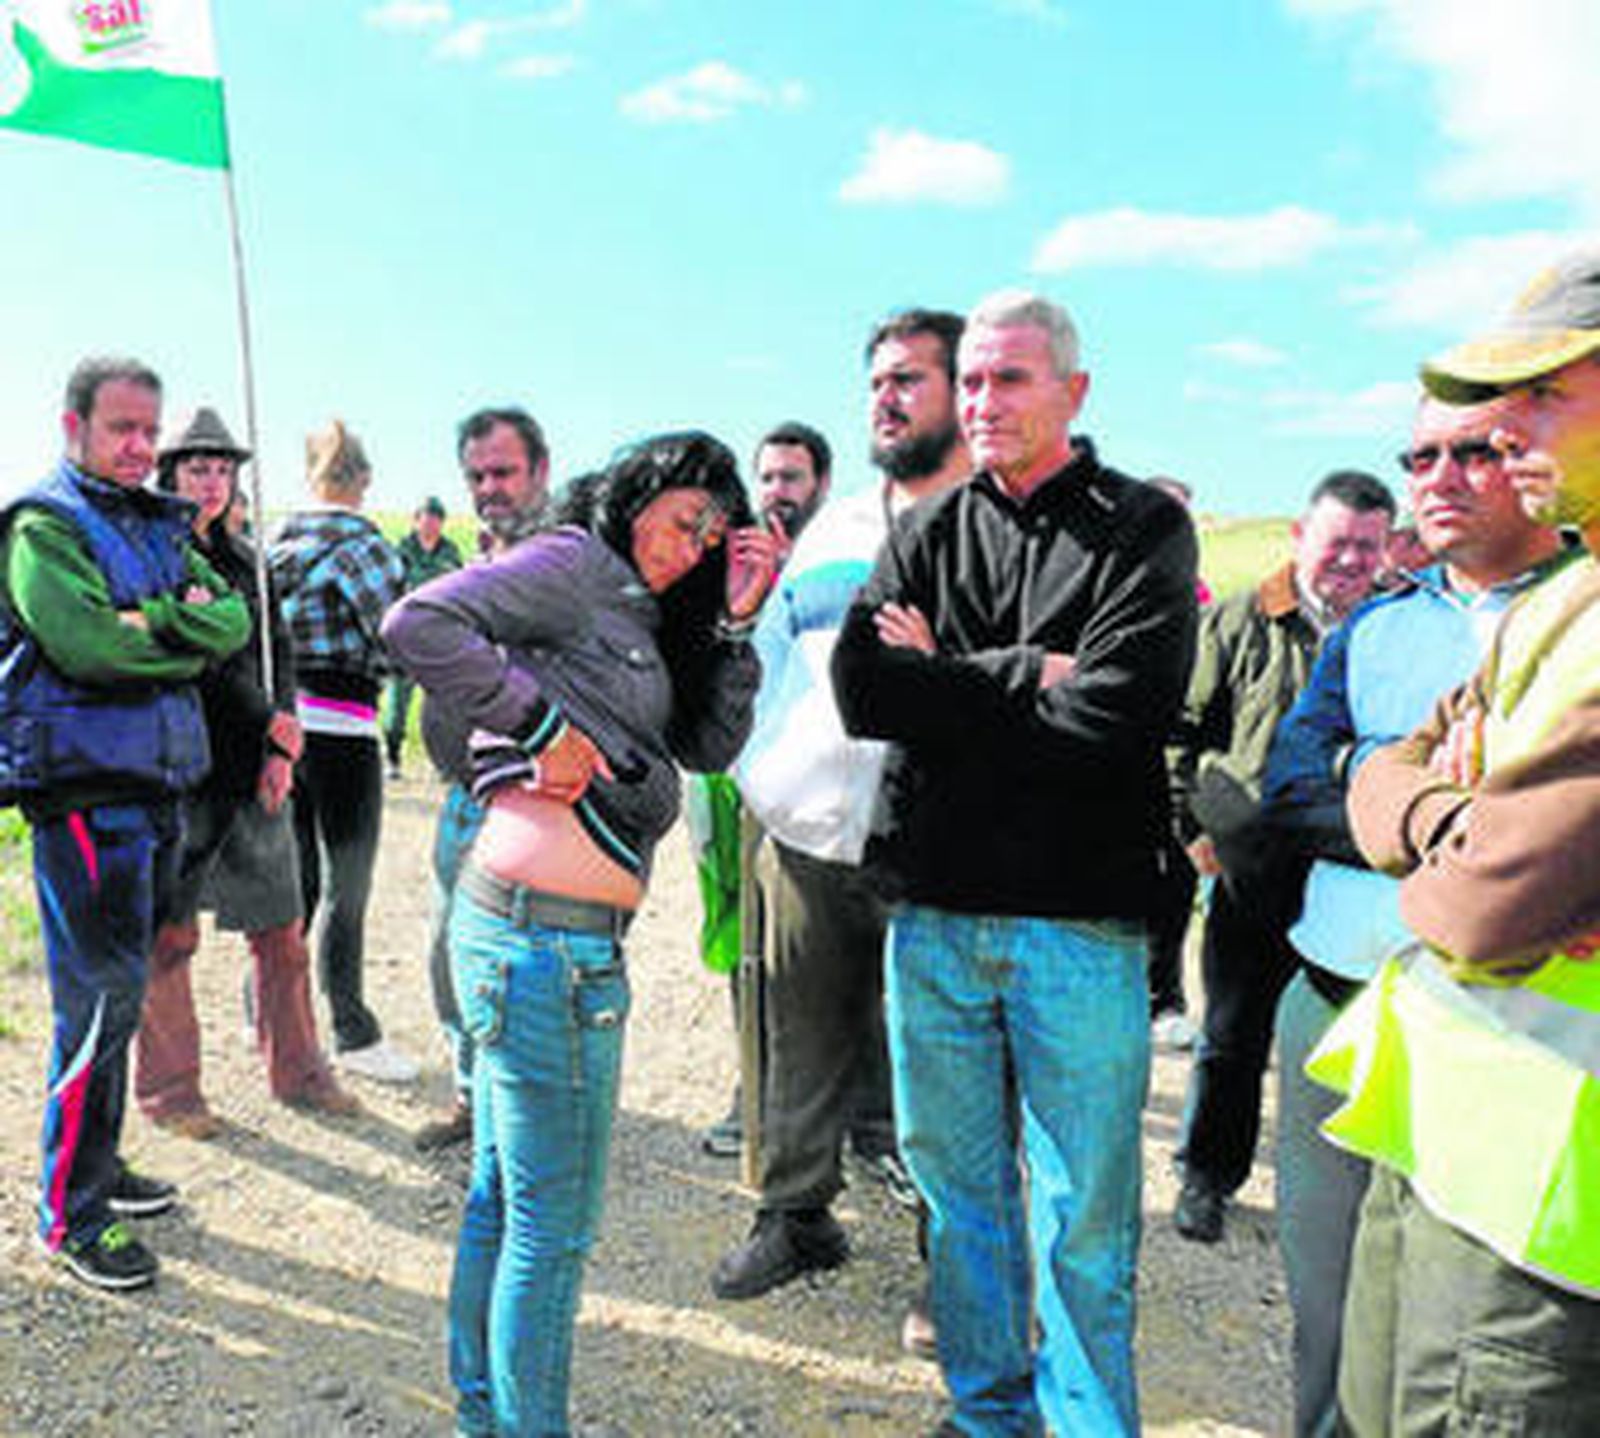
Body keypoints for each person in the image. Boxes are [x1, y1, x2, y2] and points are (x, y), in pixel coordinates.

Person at [833, 290, 1198, 1435]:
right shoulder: (928, 528)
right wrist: (1021, 673)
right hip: (935, 920)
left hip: (1078, 926)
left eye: (1011, 380)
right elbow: (863, 690)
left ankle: (1089, 1422)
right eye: (973, 380)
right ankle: (991, 1412)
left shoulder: (1141, 527)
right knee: (959, 1195)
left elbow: (1116, 717)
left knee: (1084, 1210)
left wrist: (947, 679)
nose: (983, 402)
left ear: (1073, 392)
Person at [383, 430, 775, 1437]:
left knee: (505, 1201)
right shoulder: (573, 563)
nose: (691, 546)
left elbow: (707, 743)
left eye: (711, 536)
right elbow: (418, 619)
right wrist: (536, 725)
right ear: (638, 492)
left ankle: (492, 1417)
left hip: (539, 938)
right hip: (544, 947)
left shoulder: (647, 606)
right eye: (683, 520)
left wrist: (731, 625)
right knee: (549, 1231)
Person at [1310, 249, 1600, 1435]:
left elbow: (1485, 911)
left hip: (1543, 1185)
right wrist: (1451, 816)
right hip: (1450, 1134)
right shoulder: (1558, 606)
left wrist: (1438, 828)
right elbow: (1369, 769)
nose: (1501, 426)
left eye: (1544, 395)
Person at [1260, 396, 1564, 1436]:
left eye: (1468, 452)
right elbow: (1289, 787)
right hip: (1333, 1005)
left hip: (1505, 1042)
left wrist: (1384, 779)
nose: (1436, 476)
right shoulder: (1376, 624)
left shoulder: (1576, 617)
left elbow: (1552, 852)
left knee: (1466, 1352)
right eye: (1418, 454)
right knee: (1330, 1307)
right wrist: (1449, 814)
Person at [712, 315, 970, 1307]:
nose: (886, 398)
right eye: (875, 382)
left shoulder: (993, 525)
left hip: (938, 845)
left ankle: (946, 1258)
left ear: (959, 392)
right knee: (795, 1027)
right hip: (804, 826)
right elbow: (774, 648)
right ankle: (794, 1215)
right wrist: (758, 768)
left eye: (909, 379)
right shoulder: (840, 522)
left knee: (938, 1061)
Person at [0, 358, 249, 1289]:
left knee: (122, 996)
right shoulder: (41, 524)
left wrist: (158, 624)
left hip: (155, 787)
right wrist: (156, 629)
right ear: (74, 428)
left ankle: (98, 1166)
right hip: (82, 794)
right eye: (124, 431)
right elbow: (88, 645)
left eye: (152, 432)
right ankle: (68, 1212)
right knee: (95, 1004)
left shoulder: (154, 522)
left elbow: (227, 621)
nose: (144, 448)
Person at [1170, 469, 1394, 1244]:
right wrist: (1191, 828)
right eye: (1337, 543)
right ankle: (1206, 1175)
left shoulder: (1394, 632)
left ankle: (1355, 1195)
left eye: (1367, 546)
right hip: (1252, 867)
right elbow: (1182, 728)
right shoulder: (1239, 621)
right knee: (1233, 1035)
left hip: (1355, 878)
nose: (1350, 561)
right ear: (1300, 539)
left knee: (1361, 1038)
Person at [134, 407, 359, 1141]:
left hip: (251, 768)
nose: (212, 482)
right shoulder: (153, 560)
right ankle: (170, 1093)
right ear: (170, 475)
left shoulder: (247, 560)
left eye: (223, 469)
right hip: (179, 768)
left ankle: (299, 1072)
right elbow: (203, 663)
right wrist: (270, 719)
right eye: (197, 468)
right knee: (169, 938)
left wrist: (282, 745)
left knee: (282, 930)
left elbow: (277, 654)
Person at [412, 406, 551, 1153]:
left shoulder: (568, 567)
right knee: (447, 956)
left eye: (503, 472)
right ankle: (472, 1099)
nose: (489, 488)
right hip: (463, 798)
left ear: (540, 471)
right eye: (476, 476)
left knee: (526, 966)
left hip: (537, 807)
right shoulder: (466, 568)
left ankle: (526, 1113)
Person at [695, 419, 834, 1159]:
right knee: (741, 938)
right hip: (730, 780)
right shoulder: (729, 558)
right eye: (770, 478)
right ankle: (753, 1090)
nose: (778, 493)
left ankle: (834, 1115)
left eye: (793, 478)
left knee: (816, 949)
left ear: (822, 486)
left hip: (817, 789)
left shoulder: (839, 559)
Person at [269, 420, 411, 1084]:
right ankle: (351, 1029)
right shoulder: (366, 549)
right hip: (347, 726)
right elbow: (397, 637)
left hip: (282, 727)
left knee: (295, 878)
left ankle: (264, 1011)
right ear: (363, 480)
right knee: (346, 885)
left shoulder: (273, 546)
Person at [382, 495, 462, 778]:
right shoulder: (400, 552)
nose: (430, 525)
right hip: (406, 639)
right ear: (416, 521)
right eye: (425, 519)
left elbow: (459, 592)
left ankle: (442, 763)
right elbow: (387, 592)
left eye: (436, 519)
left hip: (438, 641)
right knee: (397, 707)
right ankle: (392, 758)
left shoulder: (450, 553)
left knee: (442, 709)